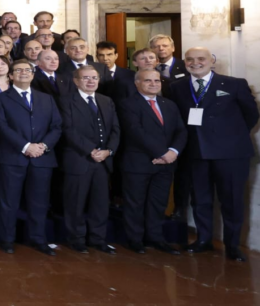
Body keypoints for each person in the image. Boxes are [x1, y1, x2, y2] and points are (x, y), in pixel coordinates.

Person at [169, 47, 258, 262]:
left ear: (212, 61)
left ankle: (233, 245)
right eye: (190, 60)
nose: (195, 63)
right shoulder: (176, 87)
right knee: (200, 200)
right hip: (195, 152)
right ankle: (203, 240)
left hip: (230, 153)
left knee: (232, 201)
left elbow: (251, 114)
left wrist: (230, 135)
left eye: (201, 59)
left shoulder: (234, 83)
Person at [0, 59, 61, 256]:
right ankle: (6, 240)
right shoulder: (0, 99)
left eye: (27, 70)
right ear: (11, 75)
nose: (23, 72)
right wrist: (25, 146)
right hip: (13, 157)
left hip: (42, 158)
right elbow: (1, 125)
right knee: (8, 202)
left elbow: (56, 126)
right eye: (18, 70)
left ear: (33, 74)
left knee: (39, 202)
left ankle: (38, 239)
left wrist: (43, 146)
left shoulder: (46, 98)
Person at [119, 69, 187, 255]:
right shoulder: (127, 104)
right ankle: (135, 240)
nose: (153, 84)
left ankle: (156, 238)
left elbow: (181, 131)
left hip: (166, 163)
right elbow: (136, 132)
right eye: (147, 80)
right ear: (137, 83)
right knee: (135, 203)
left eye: (156, 81)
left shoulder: (169, 105)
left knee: (158, 203)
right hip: (138, 162)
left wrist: (173, 152)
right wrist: (162, 152)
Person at [58, 65, 120, 254]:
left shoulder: (106, 100)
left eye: (94, 77)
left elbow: (116, 129)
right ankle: (76, 239)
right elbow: (68, 130)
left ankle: (98, 239)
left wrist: (109, 150)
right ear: (76, 81)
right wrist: (91, 150)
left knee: (100, 203)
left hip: (103, 161)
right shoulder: (65, 101)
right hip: (79, 159)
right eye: (86, 78)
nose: (91, 81)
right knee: (75, 203)